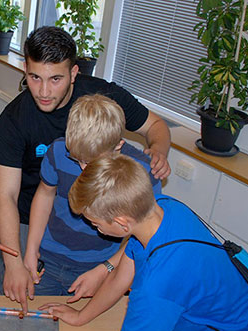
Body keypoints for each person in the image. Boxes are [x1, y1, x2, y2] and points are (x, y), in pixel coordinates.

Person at [5, 153, 248, 331]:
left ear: (121, 223)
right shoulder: (161, 209)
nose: (93, 227)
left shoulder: (158, 283)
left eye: (95, 223)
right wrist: (80, 315)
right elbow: (121, 276)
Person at [0, 26, 172, 312]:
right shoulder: (15, 121)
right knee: (20, 300)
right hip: (37, 223)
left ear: (74, 73)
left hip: (102, 247)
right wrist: (15, 259)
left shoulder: (107, 99)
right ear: (24, 69)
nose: (44, 91)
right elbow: (6, 197)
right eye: (34, 77)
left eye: (56, 79)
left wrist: (159, 152)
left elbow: (156, 127)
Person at [23, 94, 161, 302]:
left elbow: (145, 234)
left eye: (93, 161)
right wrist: (31, 248)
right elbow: (44, 194)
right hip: (49, 256)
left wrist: (106, 269)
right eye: (77, 159)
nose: (84, 169)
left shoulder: (142, 171)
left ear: (118, 146)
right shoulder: (58, 150)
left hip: (101, 264)